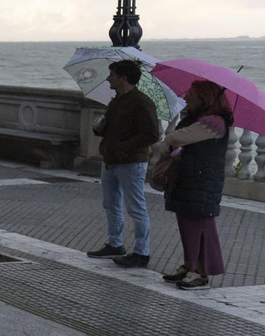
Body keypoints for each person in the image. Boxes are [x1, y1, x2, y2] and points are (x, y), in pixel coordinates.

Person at [154, 80, 233, 290]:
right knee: (187, 223)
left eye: (192, 93)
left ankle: (202, 272)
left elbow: (177, 137)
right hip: (189, 178)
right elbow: (177, 140)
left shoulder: (214, 121)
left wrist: (169, 145)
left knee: (200, 225)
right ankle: (190, 265)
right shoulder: (196, 118)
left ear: (204, 97)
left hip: (202, 180)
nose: (187, 96)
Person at [87, 59, 160, 268]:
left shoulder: (142, 102)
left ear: (123, 78)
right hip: (110, 160)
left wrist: (123, 148)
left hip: (131, 163)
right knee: (110, 203)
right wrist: (99, 128)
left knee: (136, 208)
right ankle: (114, 243)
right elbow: (109, 126)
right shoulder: (117, 100)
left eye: (112, 75)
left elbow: (151, 134)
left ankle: (141, 252)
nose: (108, 78)